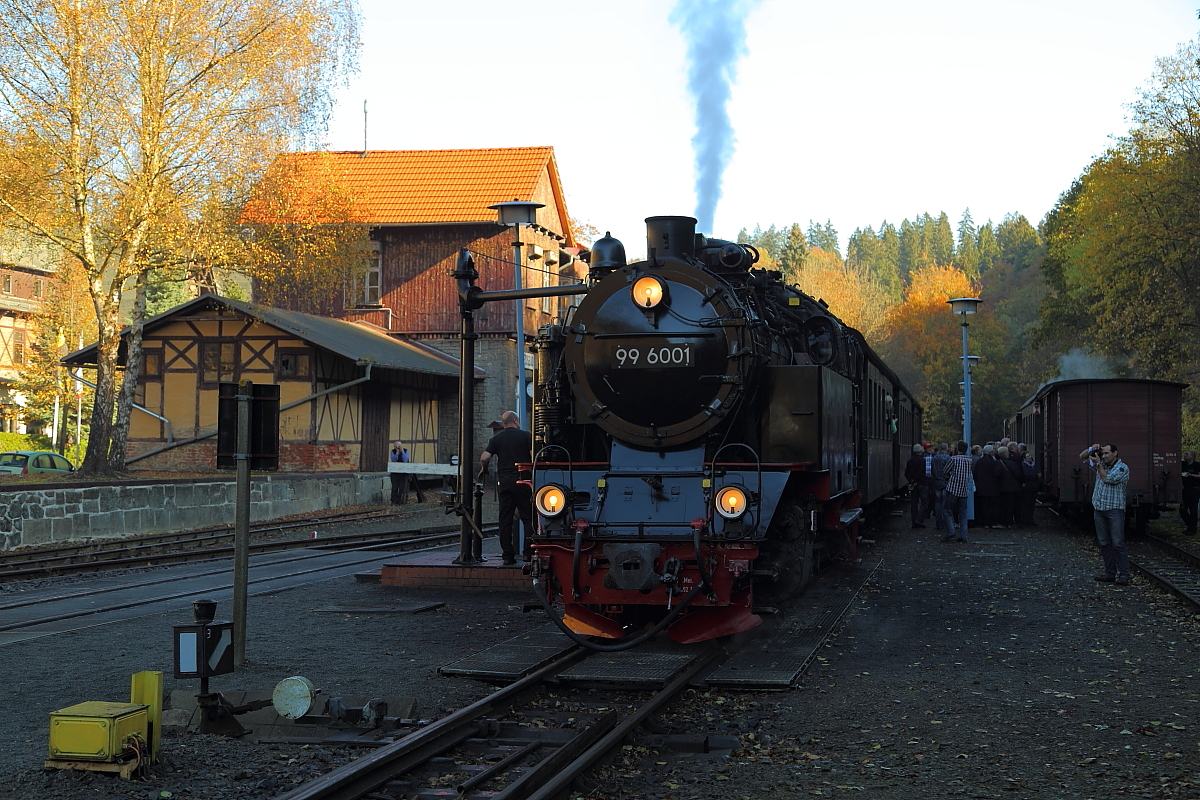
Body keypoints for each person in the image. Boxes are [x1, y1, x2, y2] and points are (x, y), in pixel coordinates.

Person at [480, 411, 533, 565]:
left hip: (504, 482)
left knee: (505, 520)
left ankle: (507, 556)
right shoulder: (526, 436)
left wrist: (484, 469)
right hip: (524, 480)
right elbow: (533, 456)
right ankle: (528, 553)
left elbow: (484, 457)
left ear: (504, 423)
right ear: (515, 420)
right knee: (528, 518)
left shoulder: (497, 438)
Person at [1079, 442, 1131, 585]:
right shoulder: (1101, 464)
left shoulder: (1122, 468)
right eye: (1103, 453)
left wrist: (1098, 464)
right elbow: (1082, 457)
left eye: (1107, 453)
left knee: (1118, 543)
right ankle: (1109, 573)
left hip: (1114, 510)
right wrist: (1091, 449)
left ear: (1115, 453)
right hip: (1099, 510)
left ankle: (1124, 574)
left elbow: (1107, 479)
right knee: (1104, 543)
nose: (1104, 456)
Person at [940, 440, 973, 542]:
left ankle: (950, 532)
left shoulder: (953, 459)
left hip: (953, 488)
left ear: (957, 449)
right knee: (963, 514)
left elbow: (945, 471)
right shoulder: (969, 460)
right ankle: (963, 536)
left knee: (947, 510)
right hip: (964, 489)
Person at [973, 445, 1004, 528]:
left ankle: (985, 522)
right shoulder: (993, 462)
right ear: (991, 452)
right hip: (993, 487)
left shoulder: (979, 461)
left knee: (984, 506)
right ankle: (994, 522)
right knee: (994, 506)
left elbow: (975, 474)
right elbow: (997, 474)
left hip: (982, 487)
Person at [904, 443, 928, 529]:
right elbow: (921, 472)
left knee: (914, 503)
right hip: (921, 483)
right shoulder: (922, 460)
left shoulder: (910, 460)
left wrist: (911, 481)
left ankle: (914, 521)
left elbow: (906, 473)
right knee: (924, 502)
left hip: (913, 484)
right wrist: (916, 481)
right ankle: (919, 519)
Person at [1181, 451, 1199, 536]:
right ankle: (1190, 526)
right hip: (1185, 490)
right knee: (1182, 509)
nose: (1185, 455)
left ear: (1191, 456)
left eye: (1187, 454)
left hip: (1194, 490)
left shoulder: (1197, 465)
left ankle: (1193, 529)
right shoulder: (1183, 464)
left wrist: (1191, 475)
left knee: (1193, 510)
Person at [1018, 451, 1038, 526]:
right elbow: (1026, 475)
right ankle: (1026, 519)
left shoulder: (1033, 465)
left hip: (1033, 487)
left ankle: (1030, 519)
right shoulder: (1023, 465)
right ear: (1024, 458)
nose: (1030, 457)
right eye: (1028, 456)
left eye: (1030, 456)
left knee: (1031, 504)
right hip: (1027, 488)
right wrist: (1035, 475)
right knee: (1026, 504)